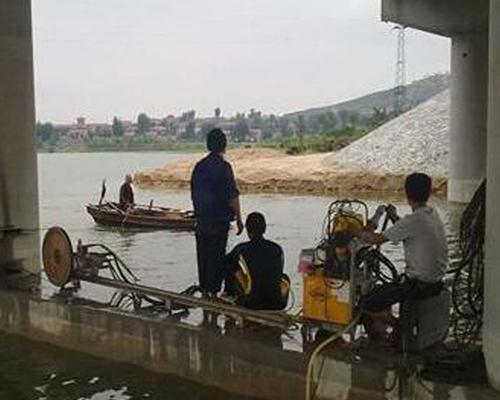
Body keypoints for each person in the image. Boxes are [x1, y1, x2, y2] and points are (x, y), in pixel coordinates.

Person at [351, 172, 448, 341]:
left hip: (419, 284)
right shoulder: (432, 213)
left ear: (407, 193)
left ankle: (400, 327)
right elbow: (406, 229)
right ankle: (395, 329)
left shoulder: (412, 220)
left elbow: (375, 239)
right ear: (429, 192)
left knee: (366, 303)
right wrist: (394, 217)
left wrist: (351, 230)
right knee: (382, 290)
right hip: (435, 281)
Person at [191, 128, 244, 297]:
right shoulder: (224, 167)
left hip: (201, 222)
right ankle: (213, 296)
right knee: (217, 259)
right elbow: (232, 196)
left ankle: (205, 295)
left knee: (204, 259)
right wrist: (239, 219)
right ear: (224, 146)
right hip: (219, 223)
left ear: (208, 145)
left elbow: (194, 194)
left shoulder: (199, 167)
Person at [224, 212, 288, 310]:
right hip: (278, 303)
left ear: (247, 230)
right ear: (264, 229)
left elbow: (225, 263)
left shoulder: (242, 249)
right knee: (284, 277)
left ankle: (229, 295)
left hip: (250, 303)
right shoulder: (277, 248)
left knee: (230, 266)